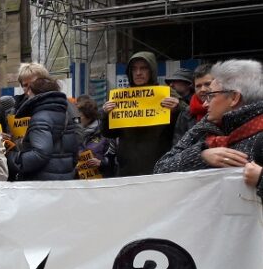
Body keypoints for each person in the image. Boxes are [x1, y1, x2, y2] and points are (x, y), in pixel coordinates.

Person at [154, 59, 263, 200]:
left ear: (234, 98)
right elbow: (160, 169)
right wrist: (201, 156)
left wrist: (260, 179)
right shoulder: (204, 127)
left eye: (211, 95)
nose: (205, 103)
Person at [102, 51, 183, 176]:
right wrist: (106, 115)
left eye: (143, 68)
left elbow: (187, 122)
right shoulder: (121, 97)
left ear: (152, 70)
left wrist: (177, 108)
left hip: (158, 167)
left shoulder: (166, 94)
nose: (138, 73)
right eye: (134, 69)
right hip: (127, 169)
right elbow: (109, 133)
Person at [7, 77, 80, 181]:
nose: (27, 94)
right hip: (64, 180)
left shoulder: (40, 117)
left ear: (34, 93)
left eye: (29, 90)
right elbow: (74, 154)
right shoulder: (66, 115)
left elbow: (40, 154)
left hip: (42, 183)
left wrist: (11, 158)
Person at [75, 95, 117, 178]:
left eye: (80, 116)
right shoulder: (74, 132)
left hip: (100, 182)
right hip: (78, 182)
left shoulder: (104, 133)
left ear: (89, 116)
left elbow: (113, 161)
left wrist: (101, 163)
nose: (77, 119)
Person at [173, 65, 211, 144]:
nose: (203, 89)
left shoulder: (228, 109)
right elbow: (177, 147)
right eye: (198, 86)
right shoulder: (186, 113)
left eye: (207, 84)